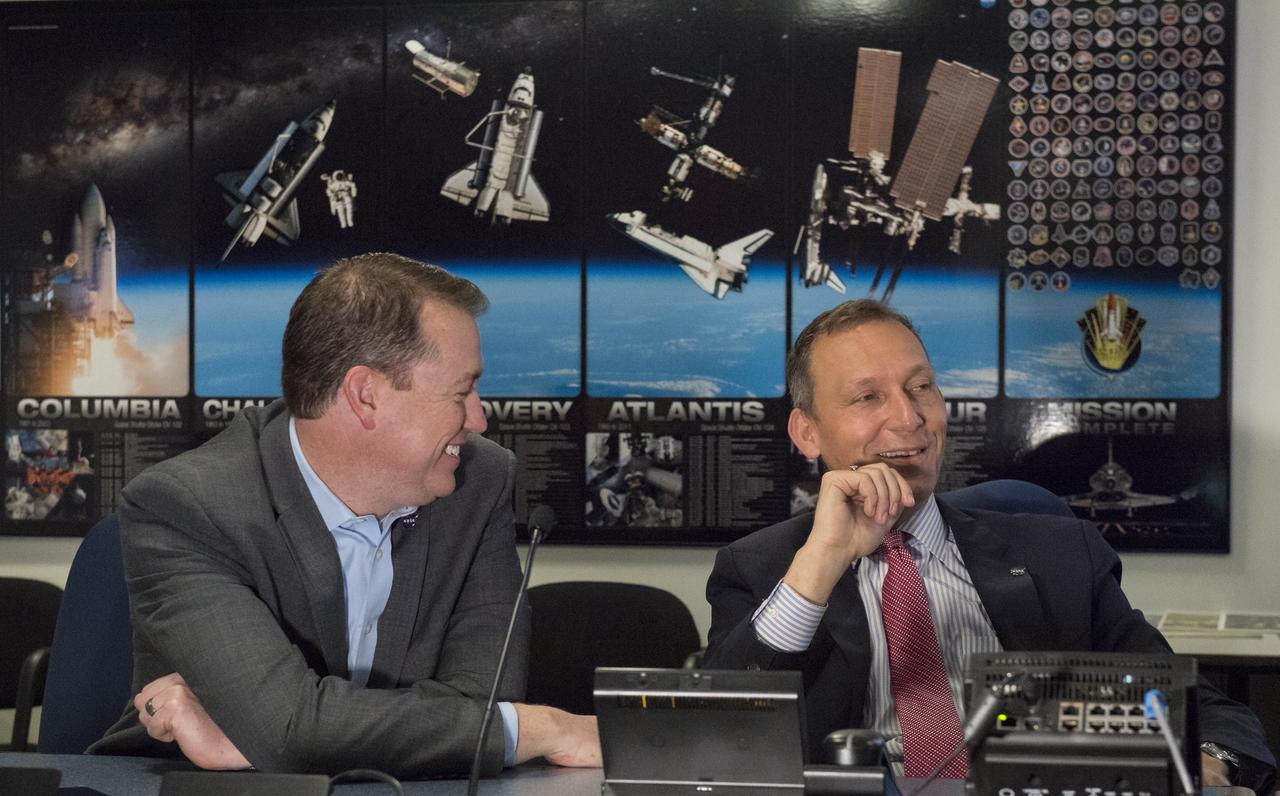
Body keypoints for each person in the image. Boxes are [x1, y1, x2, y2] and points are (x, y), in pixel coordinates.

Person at [703, 299, 1275, 792]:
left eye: (920, 387)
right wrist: (820, 564)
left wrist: (1207, 762)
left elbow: (1204, 712)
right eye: (867, 397)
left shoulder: (1060, 555)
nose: (909, 417)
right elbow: (714, 734)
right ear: (807, 432)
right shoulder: (762, 569)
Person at [90, 253, 600, 778]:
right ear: (366, 396)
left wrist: (263, 742)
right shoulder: (186, 506)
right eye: (461, 391)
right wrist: (545, 728)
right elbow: (293, 728)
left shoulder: (480, 481)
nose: (479, 418)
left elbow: (482, 702)